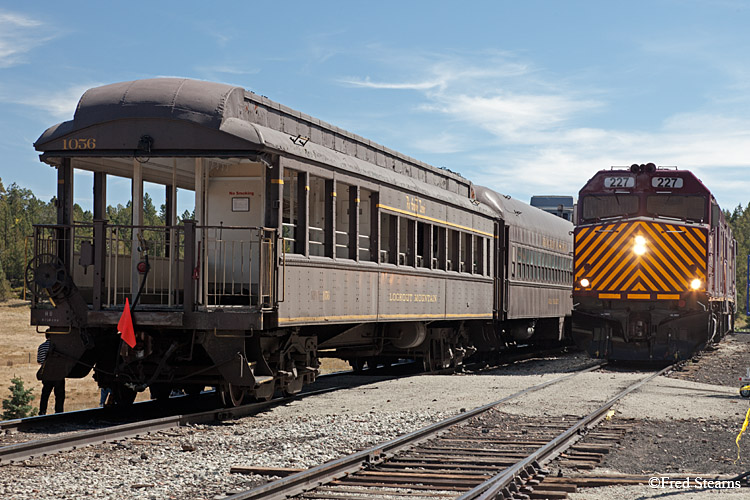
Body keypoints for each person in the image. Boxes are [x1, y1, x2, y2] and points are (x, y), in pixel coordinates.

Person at [37, 339, 65, 415]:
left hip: (46, 374)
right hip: (58, 373)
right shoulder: (60, 347)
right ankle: (59, 411)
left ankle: (42, 411)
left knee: (45, 394)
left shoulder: (41, 346)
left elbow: (39, 361)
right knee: (59, 394)